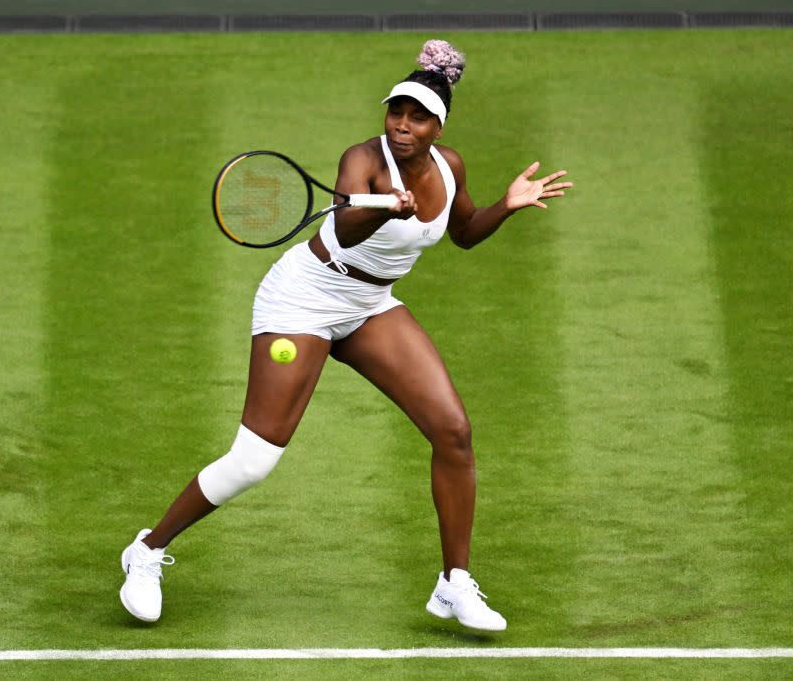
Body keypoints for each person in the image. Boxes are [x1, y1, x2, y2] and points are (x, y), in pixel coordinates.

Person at [119, 39, 572, 632]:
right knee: (256, 459)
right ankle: (146, 551)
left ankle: (453, 583)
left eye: (418, 117)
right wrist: (387, 207)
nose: (403, 126)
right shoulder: (362, 158)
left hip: (368, 303)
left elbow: (463, 232)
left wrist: (508, 205)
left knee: (453, 431)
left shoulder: (449, 166)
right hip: (304, 298)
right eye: (396, 113)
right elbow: (347, 229)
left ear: (439, 126)